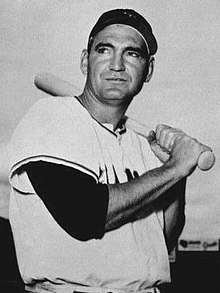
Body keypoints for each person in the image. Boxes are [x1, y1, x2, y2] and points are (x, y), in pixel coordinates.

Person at [8, 8, 211, 293]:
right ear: (85, 61)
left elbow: (163, 242)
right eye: (104, 49)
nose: (117, 64)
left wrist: (177, 176)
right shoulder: (50, 117)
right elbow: (85, 214)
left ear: (148, 70)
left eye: (132, 53)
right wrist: (174, 169)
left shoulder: (144, 145)